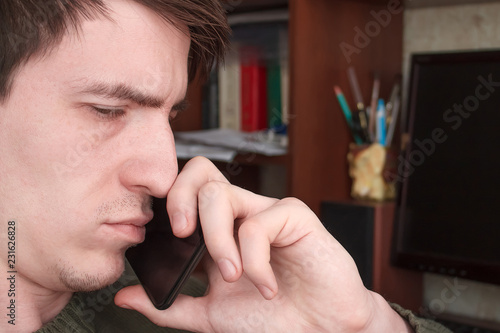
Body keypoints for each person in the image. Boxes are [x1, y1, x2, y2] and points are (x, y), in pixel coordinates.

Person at [0, 0, 450, 332]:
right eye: (107, 109)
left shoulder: (189, 311)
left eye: (171, 115)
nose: (162, 176)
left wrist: (363, 325)